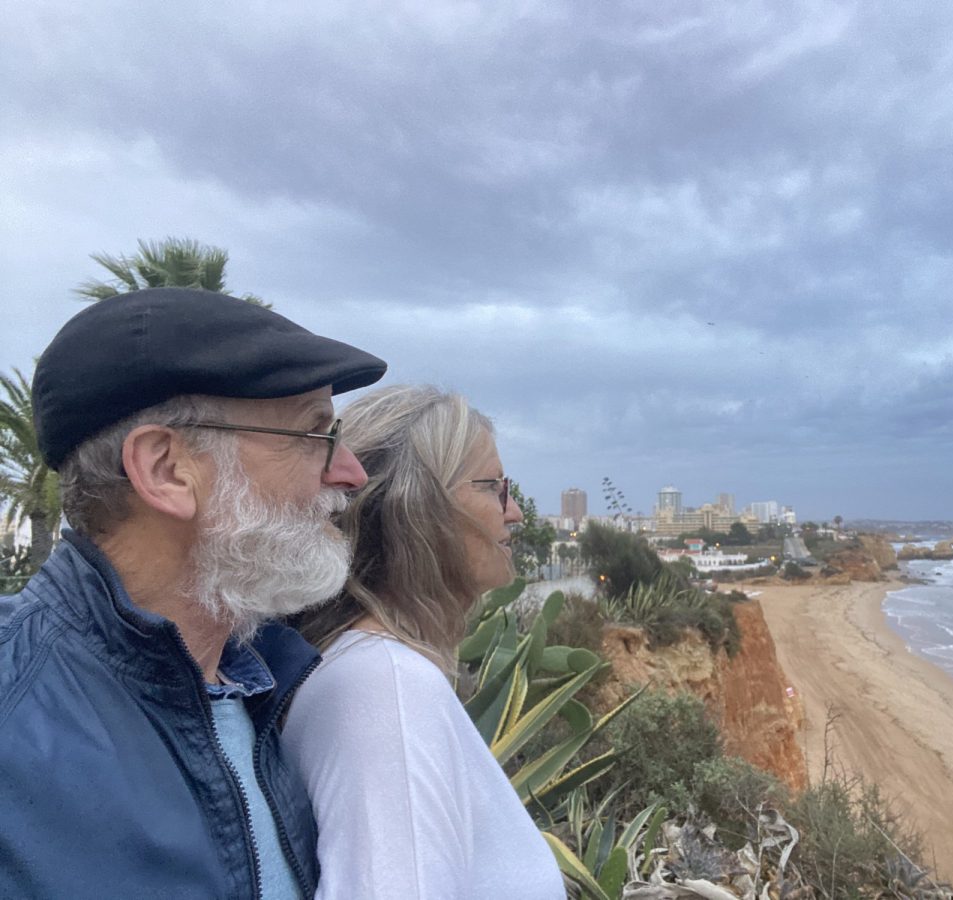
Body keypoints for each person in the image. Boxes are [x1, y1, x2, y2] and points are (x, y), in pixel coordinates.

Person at [0, 287, 386, 899]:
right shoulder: (14, 712)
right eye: (314, 435)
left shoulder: (266, 687)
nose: (351, 472)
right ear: (166, 470)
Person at [283, 385, 567, 900]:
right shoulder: (386, 688)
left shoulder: (370, 671)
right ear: (415, 507)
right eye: (492, 488)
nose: (515, 512)